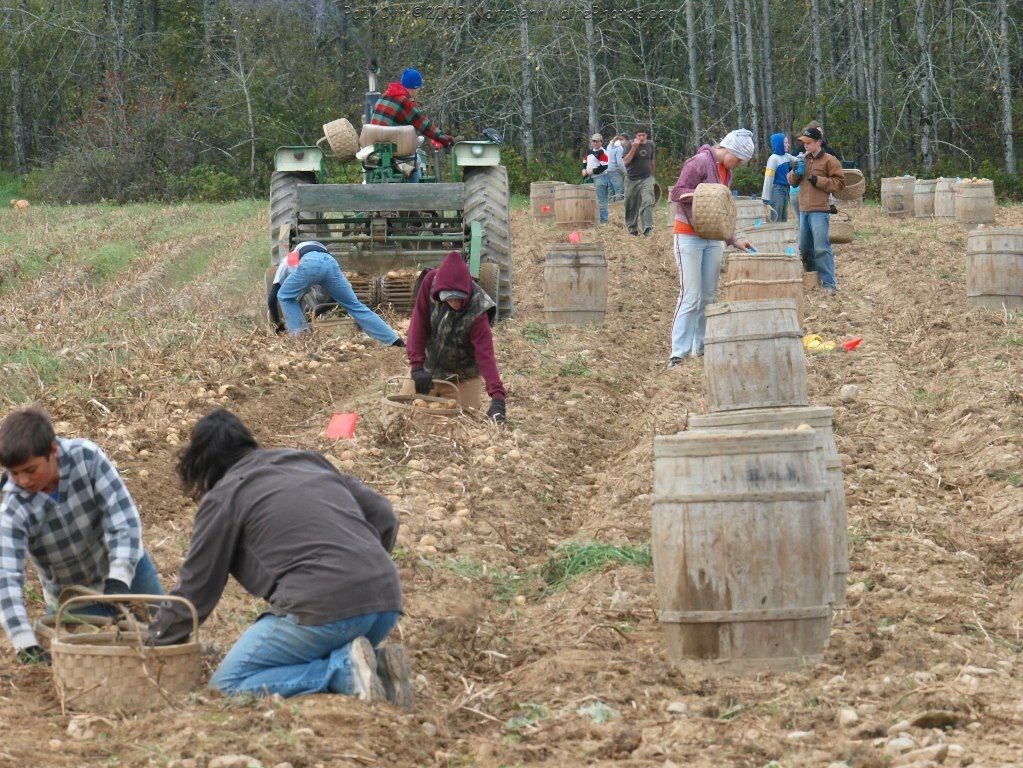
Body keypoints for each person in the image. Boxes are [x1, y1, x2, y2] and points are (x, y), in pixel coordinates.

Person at [148, 409, 411, 706]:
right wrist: (360, 572)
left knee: (226, 687)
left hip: (324, 610)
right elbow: (383, 514)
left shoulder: (225, 495)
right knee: (311, 645)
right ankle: (379, 667)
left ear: (201, 464)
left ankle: (344, 673)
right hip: (386, 601)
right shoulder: (306, 461)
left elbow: (197, 587)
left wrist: (156, 639)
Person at [0, 407, 164, 665]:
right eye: (14, 473)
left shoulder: (86, 458)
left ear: (52, 450)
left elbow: (123, 519)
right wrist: (25, 643)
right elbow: (7, 578)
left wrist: (120, 577)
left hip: (128, 574)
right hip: (73, 598)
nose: (22, 480)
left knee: (166, 639)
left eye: (30, 470)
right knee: (101, 665)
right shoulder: (13, 508)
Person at [667, 129, 756, 369]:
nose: (738, 164)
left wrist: (733, 240)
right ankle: (678, 353)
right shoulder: (699, 162)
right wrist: (701, 195)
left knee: (708, 296)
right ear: (729, 150)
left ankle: (702, 347)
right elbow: (676, 192)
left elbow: (721, 213)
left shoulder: (727, 174)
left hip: (713, 238)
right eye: (738, 159)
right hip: (689, 236)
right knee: (690, 295)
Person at [405, 251, 507, 423]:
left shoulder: (478, 309)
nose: (453, 302)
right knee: (404, 415)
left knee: (464, 423)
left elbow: (486, 355)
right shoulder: (430, 282)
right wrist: (417, 367)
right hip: (427, 371)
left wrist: (498, 398)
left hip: (462, 378)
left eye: (458, 298)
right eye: (448, 298)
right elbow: (418, 324)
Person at [268, 241, 405, 345]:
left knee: (285, 296)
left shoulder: (289, 258)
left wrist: (278, 324)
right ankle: (394, 340)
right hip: (331, 263)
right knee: (354, 305)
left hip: (309, 265)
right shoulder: (321, 251)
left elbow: (273, 297)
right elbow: (335, 296)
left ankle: (301, 338)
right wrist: (318, 311)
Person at [370, 67, 460, 183]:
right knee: (416, 162)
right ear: (415, 88)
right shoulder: (405, 101)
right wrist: (447, 140)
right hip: (391, 150)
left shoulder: (384, 96)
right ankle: (415, 192)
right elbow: (425, 127)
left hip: (375, 150)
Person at [787, 126, 845, 293]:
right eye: (803, 142)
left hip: (819, 210)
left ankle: (829, 284)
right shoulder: (803, 159)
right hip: (804, 209)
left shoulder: (830, 160)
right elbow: (792, 182)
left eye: (808, 142)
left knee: (821, 247)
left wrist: (817, 180)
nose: (805, 145)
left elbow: (839, 184)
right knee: (805, 248)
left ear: (818, 142)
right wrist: (795, 171)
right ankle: (812, 279)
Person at [622, 128, 657, 236]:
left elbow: (652, 161)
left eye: (643, 135)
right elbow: (626, 161)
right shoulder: (629, 144)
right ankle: (632, 228)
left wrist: (652, 177)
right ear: (635, 136)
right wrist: (634, 148)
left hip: (646, 178)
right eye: (639, 135)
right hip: (632, 179)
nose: (641, 138)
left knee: (648, 201)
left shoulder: (651, 145)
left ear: (647, 135)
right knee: (631, 204)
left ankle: (647, 228)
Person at [761, 132, 798, 222]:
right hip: (777, 190)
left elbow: (798, 160)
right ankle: (774, 235)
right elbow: (768, 179)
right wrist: (766, 197)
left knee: (784, 216)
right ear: (779, 144)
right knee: (776, 216)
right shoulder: (773, 159)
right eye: (785, 143)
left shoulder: (786, 156)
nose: (788, 145)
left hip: (786, 190)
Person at [582, 134, 611, 224]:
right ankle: (592, 219)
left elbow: (604, 166)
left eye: (597, 141)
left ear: (601, 142)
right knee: (590, 200)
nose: (595, 143)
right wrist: (583, 169)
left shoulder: (603, 152)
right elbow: (584, 162)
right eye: (593, 141)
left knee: (601, 201)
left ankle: (604, 221)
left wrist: (593, 171)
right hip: (590, 178)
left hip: (600, 178)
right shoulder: (589, 152)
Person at [605, 135, 626, 202]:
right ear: (623, 140)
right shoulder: (619, 148)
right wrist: (625, 172)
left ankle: (610, 207)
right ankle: (618, 207)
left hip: (607, 170)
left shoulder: (609, 146)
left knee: (610, 189)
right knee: (619, 189)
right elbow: (619, 162)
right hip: (614, 170)